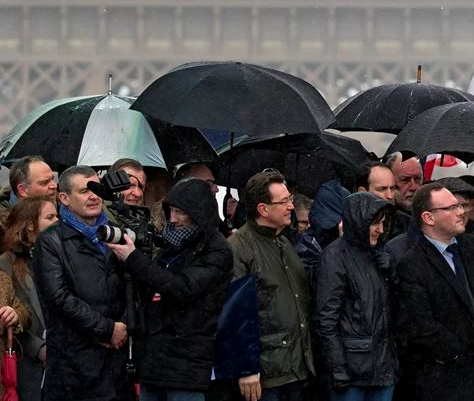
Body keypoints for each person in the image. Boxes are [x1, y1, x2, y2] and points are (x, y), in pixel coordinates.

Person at [105, 177, 233, 401]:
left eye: (179, 212)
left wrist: (134, 259)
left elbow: (182, 288)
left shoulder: (216, 250)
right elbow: (147, 287)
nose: (172, 219)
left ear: (198, 213)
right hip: (154, 359)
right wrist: (124, 260)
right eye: (170, 211)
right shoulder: (170, 245)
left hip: (186, 362)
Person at [393, 183, 474, 401]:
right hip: (443, 380)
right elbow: (420, 324)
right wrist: (457, 352)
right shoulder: (412, 263)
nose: (461, 212)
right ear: (428, 218)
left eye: (460, 206)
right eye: (451, 208)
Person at [34, 165, 131, 401]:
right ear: (64, 198)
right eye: (84, 191)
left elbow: (135, 286)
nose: (93, 196)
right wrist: (107, 329)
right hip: (74, 371)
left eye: (96, 189)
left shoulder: (117, 233)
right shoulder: (51, 241)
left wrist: (124, 325)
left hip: (117, 368)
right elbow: (59, 297)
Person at [229, 169, 314, 401]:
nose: (290, 207)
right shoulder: (239, 247)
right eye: (284, 201)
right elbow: (236, 314)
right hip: (264, 375)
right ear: (263, 209)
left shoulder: (284, 242)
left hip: (296, 367)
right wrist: (247, 369)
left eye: (290, 199)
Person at [315, 192, 399, 401]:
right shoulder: (334, 256)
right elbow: (326, 318)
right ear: (358, 222)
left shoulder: (379, 254)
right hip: (352, 369)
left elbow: (393, 307)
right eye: (374, 223)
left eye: (383, 223)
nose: (380, 230)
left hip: (381, 365)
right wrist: (337, 367)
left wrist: (392, 274)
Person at [0, 195, 56, 401]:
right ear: (31, 226)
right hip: (27, 364)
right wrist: (39, 348)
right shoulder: (6, 264)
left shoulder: (57, 257)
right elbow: (10, 315)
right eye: (50, 217)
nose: (57, 221)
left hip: (62, 361)